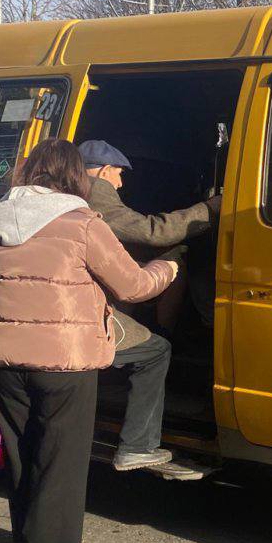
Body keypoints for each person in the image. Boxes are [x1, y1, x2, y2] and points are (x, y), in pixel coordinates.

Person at [0, 139, 178, 543]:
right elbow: (133, 285)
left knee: (24, 456)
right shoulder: (82, 222)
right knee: (61, 462)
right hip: (64, 360)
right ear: (76, 175)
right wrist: (168, 268)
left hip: (1, 357)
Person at [77, 139, 220, 472]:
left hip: (49, 311)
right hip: (81, 315)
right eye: (118, 173)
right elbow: (150, 232)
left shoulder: (53, 192)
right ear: (102, 169)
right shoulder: (94, 191)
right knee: (156, 350)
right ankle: (137, 447)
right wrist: (208, 210)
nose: (121, 182)